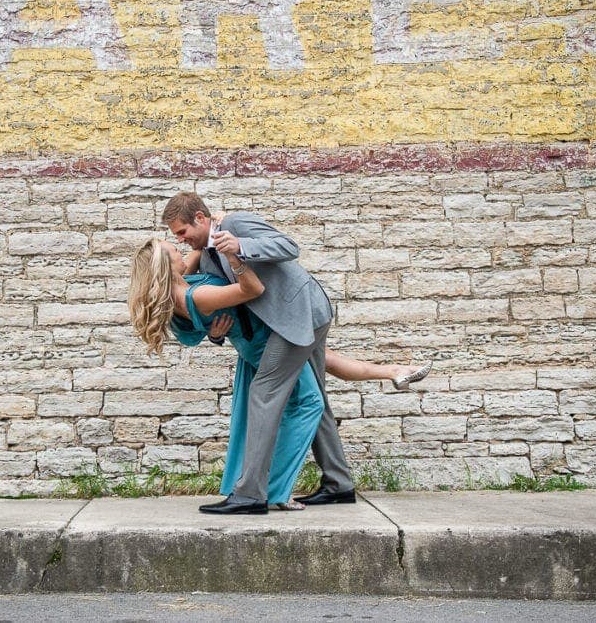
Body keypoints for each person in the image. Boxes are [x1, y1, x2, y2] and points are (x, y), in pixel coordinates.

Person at [160, 192, 427, 514]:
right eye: (176, 236)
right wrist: (216, 336)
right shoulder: (205, 255)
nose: (180, 239)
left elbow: (288, 246)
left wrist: (242, 246)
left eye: (181, 232)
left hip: (300, 314)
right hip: (285, 324)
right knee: (316, 400)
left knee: (264, 392)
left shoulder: (235, 224)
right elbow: (215, 303)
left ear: (200, 219)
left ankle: (250, 494)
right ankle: (338, 484)